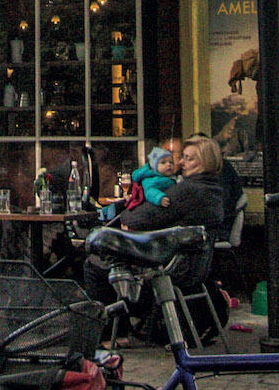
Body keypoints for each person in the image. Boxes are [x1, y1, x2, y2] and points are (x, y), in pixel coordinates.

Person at [83, 134, 226, 315]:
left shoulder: (188, 190)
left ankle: (111, 333)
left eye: (188, 159)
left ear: (206, 163)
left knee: (95, 265)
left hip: (169, 270)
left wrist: (127, 216)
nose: (180, 162)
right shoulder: (213, 190)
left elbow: (137, 219)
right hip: (193, 271)